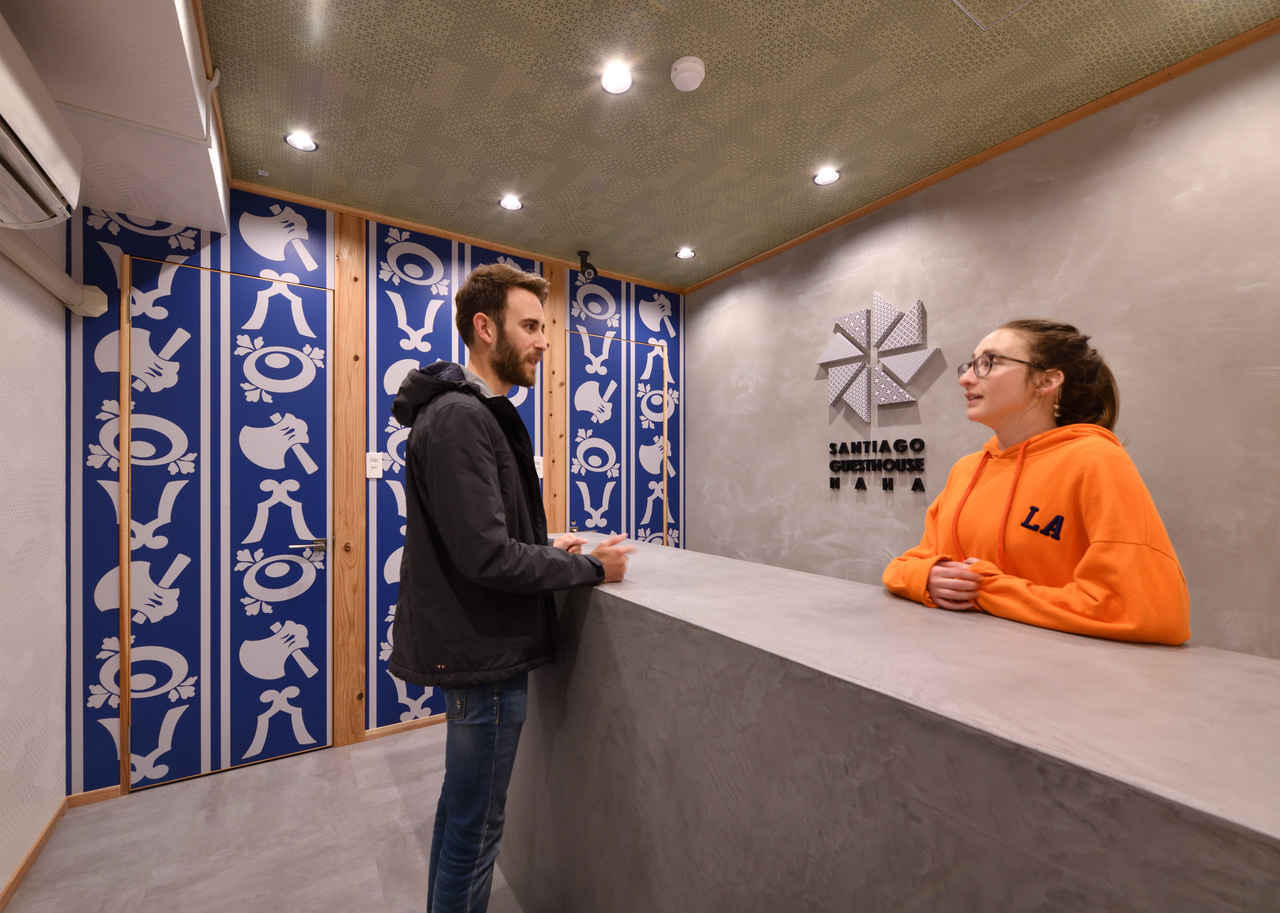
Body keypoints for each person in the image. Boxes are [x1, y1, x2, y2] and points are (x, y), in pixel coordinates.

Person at [389, 262, 635, 913]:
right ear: (484, 327)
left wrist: (548, 547)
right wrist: (593, 568)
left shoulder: (464, 414)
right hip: (486, 652)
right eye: (529, 326)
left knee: (461, 814)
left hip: (480, 648)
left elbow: (480, 534)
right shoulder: (460, 418)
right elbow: (488, 557)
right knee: (476, 832)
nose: (543, 341)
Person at [882, 319, 1189, 645]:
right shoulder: (966, 469)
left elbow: (1145, 611)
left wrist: (985, 589)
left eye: (989, 362)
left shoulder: (1096, 460)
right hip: (955, 660)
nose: (966, 378)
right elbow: (904, 566)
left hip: (1058, 669)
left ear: (1046, 381)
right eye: (970, 365)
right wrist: (927, 577)